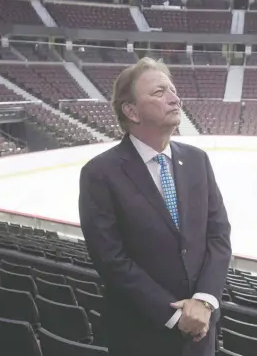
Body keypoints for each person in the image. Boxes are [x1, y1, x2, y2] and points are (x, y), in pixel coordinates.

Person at [78, 57, 232, 356]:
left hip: (201, 335)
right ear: (132, 111)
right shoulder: (100, 173)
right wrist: (175, 315)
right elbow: (111, 259)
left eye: (172, 90)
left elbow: (218, 234)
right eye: (159, 93)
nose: (175, 99)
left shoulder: (197, 160)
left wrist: (203, 300)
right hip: (142, 336)